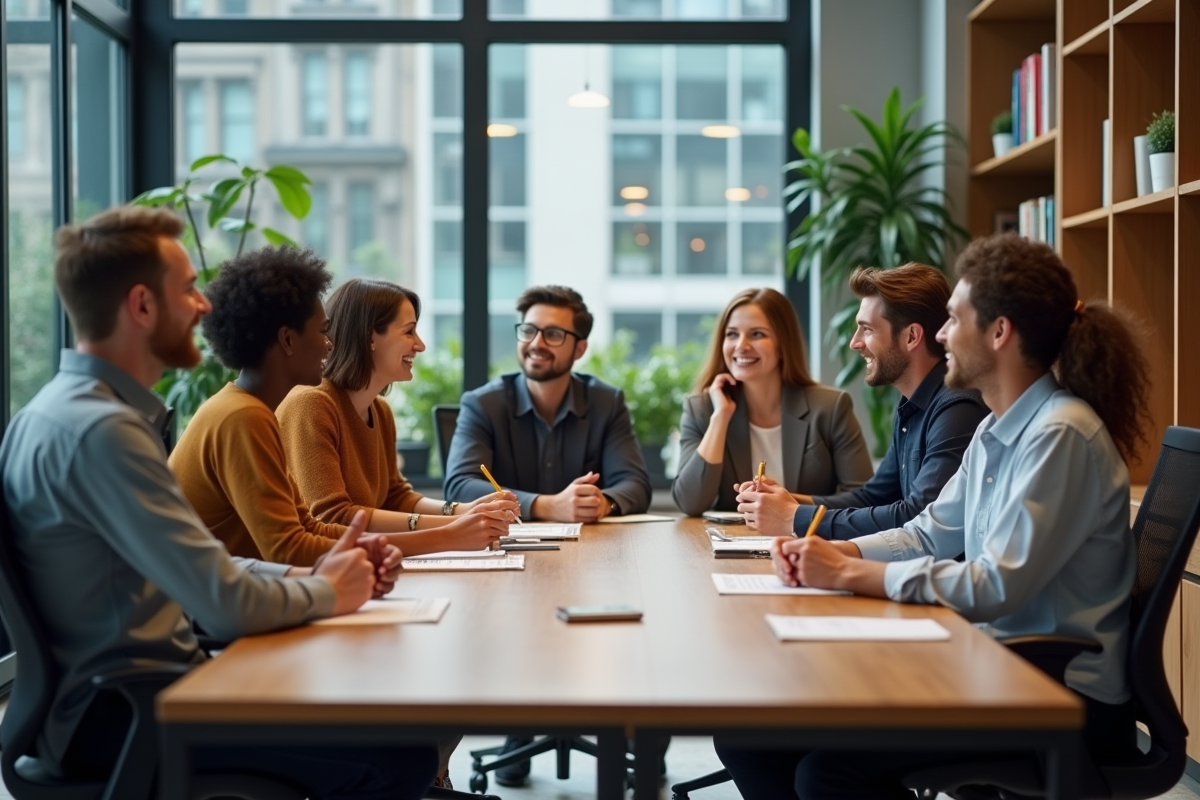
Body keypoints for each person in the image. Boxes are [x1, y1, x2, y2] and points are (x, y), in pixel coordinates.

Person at [0, 205, 438, 798]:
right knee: (399, 753)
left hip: (124, 699)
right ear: (142, 306)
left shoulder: (54, 415)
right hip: (132, 716)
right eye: (187, 290)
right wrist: (329, 590)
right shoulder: (103, 433)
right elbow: (224, 603)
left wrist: (309, 575)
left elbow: (207, 566)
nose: (203, 306)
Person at [717, 233, 1152, 800]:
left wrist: (849, 573)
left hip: (1052, 691)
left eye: (953, 320)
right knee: (751, 739)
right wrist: (835, 552)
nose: (942, 335)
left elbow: (996, 583)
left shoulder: (1059, 434)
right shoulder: (998, 427)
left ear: (998, 334)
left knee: (826, 773)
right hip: (989, 662)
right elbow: (928, 531)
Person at [172, 250, 515, 563]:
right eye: (322, 332)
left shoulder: (250, 410)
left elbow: (310, 529)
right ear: (288, 340)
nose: (328, 343)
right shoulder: (245, 416)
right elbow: (292, 547)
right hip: (213, 616)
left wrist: (453, 523)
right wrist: (445, 535)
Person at [734, 265, 988, 538]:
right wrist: (786, 502)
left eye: (866, 329)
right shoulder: (912, 406)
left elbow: (919, 516)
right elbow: (872, 498)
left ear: (911, 336)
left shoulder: (957, 408)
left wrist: (795, 518)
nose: (855, 343)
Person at [277, 278, 519, 539]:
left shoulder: (379, 411)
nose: (420, 345)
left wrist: (465, 510)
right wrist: (452, 528)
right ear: (370, 337)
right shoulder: (311, 405)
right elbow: (332, 517)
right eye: (409, 331)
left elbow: (396, 497)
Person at [443, 285, 652, 524]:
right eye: (529, 330)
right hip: (503, 545)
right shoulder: (482, 404)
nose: (536, 343)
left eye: (553, 334)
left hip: (589, 549)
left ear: (580, 349)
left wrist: (603, 503)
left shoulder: (606, 403)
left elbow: (636, 485)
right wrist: (547, 506)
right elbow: (459, 486)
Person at [672, 287, 873, 517]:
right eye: (732, 334)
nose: (741, 345)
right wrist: (720, 418)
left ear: (783, 344)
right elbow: (690, 503)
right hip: (732, 545)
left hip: (805, 542)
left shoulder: (830, 407)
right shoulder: (702, 409)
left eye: (757, 334)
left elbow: (864, 498)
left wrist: (788, 505)